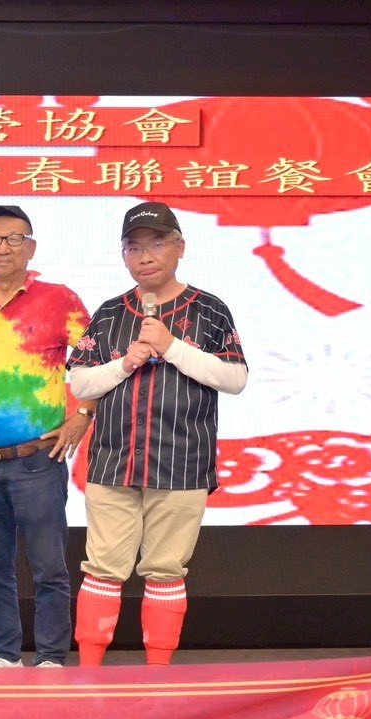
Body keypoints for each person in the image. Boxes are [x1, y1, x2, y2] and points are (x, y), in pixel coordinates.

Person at [68, 201, 249, 666]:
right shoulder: (110, 313)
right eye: (134, 248)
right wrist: (124, 364)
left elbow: (235, 378)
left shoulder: (210, 310)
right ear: (123, 256)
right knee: (102, 568)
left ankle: (158, 675)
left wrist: (171, 347)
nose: (145, 256)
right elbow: (81, 383)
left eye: (157, 244)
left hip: (182, 463)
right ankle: (88, 672)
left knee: (166, 570)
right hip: (113, 461)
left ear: (179, 247)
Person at [0, 204, 93, 668]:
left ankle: (51, 655)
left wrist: (82, 415)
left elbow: (96, 362)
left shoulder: (59, 299)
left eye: (15, 238)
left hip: (38, 459)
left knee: (48, 567)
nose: (4, 248)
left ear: (31, 248)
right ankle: (4, 652)